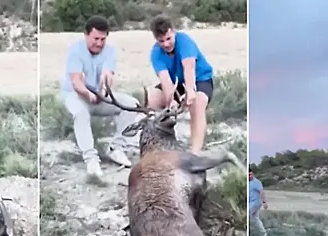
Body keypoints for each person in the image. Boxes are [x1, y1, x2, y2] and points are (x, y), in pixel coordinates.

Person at [60, 15, 140, 179]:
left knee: (132, 104)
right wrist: (89, 94)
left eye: (103, 39)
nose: (99, 43)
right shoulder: (75, 50)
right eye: (96, 38)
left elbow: (107, 73)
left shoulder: (109, 51)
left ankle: (116, 148)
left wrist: (103, 89)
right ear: (86, 35)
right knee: (81, 113)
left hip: (99, 96)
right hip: (75, 95)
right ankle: (91, 159)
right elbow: (76, 82)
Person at [146, 14, 214, 154]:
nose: (166, 44)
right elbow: (164, 79)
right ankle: (163, 144)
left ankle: (195, 153)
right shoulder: (155, 53)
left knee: (197, 103)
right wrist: (170, 100)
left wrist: (190, 91)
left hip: (199, 79)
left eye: (168, 39)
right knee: (153, 99)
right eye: (161, 41)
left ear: (173, 31)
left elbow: (189, 68)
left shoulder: (184, 41)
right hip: (175, 84)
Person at [249, 168, 267, 235]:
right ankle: (263, 233)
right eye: (248, 175)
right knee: (256, 218)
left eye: (251, 174)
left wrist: (264, 202)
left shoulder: (256, 182)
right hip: (250, 202)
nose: (250, 176)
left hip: (256, 203)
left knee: (246, 215)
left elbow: (261, 192)